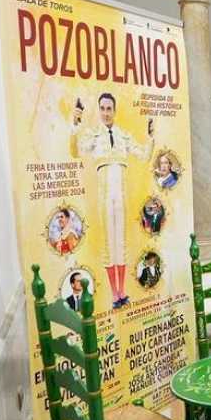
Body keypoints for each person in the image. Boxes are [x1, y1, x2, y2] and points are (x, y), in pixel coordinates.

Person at [71, 93, 154, 308]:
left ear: (114, 111)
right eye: (103, 108)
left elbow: (144, 155)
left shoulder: (123, 135)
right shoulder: (94, 135)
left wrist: (151, 136)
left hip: (122, 196)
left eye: (109, 108)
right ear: (99, 110)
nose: (106, 113)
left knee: (121, 243)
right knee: (109, 244)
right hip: (104, 196)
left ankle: (122, 291)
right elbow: (76, 150)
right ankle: (115, 294)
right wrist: (76, 122)